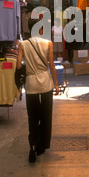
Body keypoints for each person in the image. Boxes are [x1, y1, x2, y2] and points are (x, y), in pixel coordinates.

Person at [17, 18, 59, 163]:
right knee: (46, 116)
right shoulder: (48, 43)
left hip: (31, 84)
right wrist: (57, 84)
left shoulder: (23, 44)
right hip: (46, 83)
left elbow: (18, 66)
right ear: (40, 29)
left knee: (32, 117)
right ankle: (42, 145)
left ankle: (33, 146)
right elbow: (52, 65)